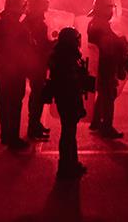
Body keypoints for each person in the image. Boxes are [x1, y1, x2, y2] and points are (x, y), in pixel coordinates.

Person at [0, 0, 33, 150]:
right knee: (14, 105)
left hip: (2, 71)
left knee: (3, 104)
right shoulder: (21, 29)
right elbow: (27, 52)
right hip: (15, 73)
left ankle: (5, 136)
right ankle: (13, 138)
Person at [47, 27, 90, 179]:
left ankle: (70, 163)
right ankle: (67, 164)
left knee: (68, 132)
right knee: (68, 133)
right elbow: (72, 82)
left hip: (63, 98)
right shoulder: (68, 58)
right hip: (69, 98)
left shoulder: (60, 54)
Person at [87, 0, 128, 139]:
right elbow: (108, 46)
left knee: (103, 93)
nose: (111, 11)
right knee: (108, 94)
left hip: (101, 64)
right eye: (110, 8)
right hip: (106, 64)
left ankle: (95, 122)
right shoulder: (100, 24)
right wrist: (122, 45)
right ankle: (107, 126)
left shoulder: (96, 23)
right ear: (103, 9)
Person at [22, 0, 52, 140]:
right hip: (35, 63)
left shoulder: (36, 20)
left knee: (39, 95)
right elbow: (36, 46)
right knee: (37, 95)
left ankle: (36, 123)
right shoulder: (32, 23)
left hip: (38, 62)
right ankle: (33, 127)